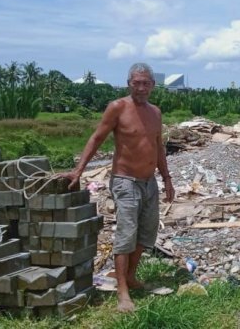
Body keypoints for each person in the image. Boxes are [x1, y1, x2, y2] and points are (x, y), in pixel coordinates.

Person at [60, 63, 175, 313]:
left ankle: (132, 277)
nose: (142, 87)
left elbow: (158, 147)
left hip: (149, 181)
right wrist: (78, 170)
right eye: (137, 83)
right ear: (129, 83)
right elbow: (97, 138)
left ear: (153, 86)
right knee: (126, 233)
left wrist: (166, 178)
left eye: (146, 83)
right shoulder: (118, 108)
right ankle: (122, 291)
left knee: (147, 231)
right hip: (125, 181)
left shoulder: (155, 112)